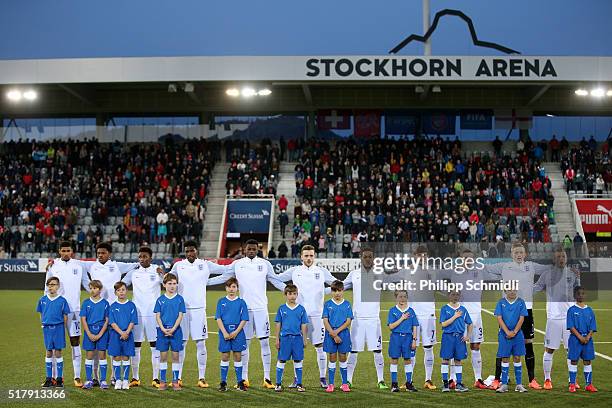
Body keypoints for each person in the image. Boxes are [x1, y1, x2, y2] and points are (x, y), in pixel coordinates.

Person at [209, 239, 286, 389]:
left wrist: (289, 291)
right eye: (249, 249)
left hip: (261, 309)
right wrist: (204, 282)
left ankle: (267, 378)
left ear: (258, 249)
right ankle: (244, 379)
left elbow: (275, 281)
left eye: (254, 249)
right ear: (244, 249)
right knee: (245, 345)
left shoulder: (265, 264)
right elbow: (224, 277)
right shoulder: (238, 264)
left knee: (264, 342)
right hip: (243, 310)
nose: (251, 251)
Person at [484, 242, 549, 390]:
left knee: (527, 343)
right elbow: (485, 268)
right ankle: (497, 379)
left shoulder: (531, 266)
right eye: (516, 252)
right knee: (504, 344)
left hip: (527, 309)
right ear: (512, 254)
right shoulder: (504, 266)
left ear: (525, 254)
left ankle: (532, 379)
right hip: (507, 310)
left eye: (521, 252)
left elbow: (550, 268)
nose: (519, 255)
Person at [168, 240, 227, 388]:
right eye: (187, 251)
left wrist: (207, 282)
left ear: (197, 250)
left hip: (199, 310)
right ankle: (177, 378)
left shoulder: (205, 264)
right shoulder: (178, 265)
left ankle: (201, 378)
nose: (189, 254)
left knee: (201, 343)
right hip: (181, 311)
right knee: (181, 344)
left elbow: (225, 270)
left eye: (192, 250)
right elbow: (168, 279)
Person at [276, 244, 336, 388]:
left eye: (311, 255)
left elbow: (336, 285)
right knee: (297, 347)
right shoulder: (294, 271)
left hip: (317, 315)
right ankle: (297, 379)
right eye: (306, 256)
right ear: (301, 257)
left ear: (314, 256)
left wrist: (324, 291)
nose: (309, 258)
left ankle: (322, 377)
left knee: (320, 347)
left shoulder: (321, 271)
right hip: (298, 316)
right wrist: (287, 291)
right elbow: (276, 279)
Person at [44, 241, 90, 387]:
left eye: (68, 250)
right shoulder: (53, 266)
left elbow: (86, 283)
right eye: (63, 250)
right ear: (59, 251)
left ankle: (77, 377)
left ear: (72, 251)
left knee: (75, 342)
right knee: (53, 345)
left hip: (74, 310)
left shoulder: (79, 265)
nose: (65, 253)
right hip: (56, 311)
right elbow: (47, 288)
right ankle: (56, 378)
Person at [534, 248, 580, 390]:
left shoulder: (572, 274)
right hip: (553, 319)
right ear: (554, 259)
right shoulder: (547, 274)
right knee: (549, 349)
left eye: (563, 256)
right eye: (558, 256)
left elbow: (578, 293)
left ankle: (572, 380)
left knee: (571, 350)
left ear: (566, 258)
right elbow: (536, 288)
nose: (561, 258)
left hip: (569, 319)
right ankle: (547, 380)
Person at [343, 246, 388, 389]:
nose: (368, 259)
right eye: (365, 256)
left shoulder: (380, 273)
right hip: (357, 319)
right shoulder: (354, 274)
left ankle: (380, 380)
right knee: (354, 351)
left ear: (373, 258)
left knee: (377, 350)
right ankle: (348, 380)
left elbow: (396, 281)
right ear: (361, 258)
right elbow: (340, 287)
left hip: (374, 319)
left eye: (370, 256)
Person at [215, 277, 248, 392]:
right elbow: (218, 318)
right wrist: (224, 332)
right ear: (226, 288)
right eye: (229, 287)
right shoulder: (221, 301)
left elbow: (244, 319)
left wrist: (235, 332)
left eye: (234, 287)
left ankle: (240, 382)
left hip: (237, 333)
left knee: (238, 356)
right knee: (225, 356)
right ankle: (223, 382)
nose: (231, 289)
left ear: (237, 288)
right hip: (224, 333)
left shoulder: (241, 302)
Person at [154, 273, 186, 391]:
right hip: (162, 331)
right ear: (164, 285)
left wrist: (173, 329)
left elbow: (180, 316)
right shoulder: (160, 299)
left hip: (175, 331)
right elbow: (157, 316)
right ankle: (162, 382)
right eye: (169, 284)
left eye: (174, 283)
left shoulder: (179, 299)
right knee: (163, 357)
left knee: (175, 356)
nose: (172, 286)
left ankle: (175, 381)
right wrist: (162, 328)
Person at [274, 284, 308, 392]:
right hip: (285, 339)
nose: (292, 296)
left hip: (297, 338)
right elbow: (278, 324)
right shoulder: (281, 308)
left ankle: (299, 384)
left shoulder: (301, 309)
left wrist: (304, 339)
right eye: (290, 294)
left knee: (298, 360)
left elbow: (303, 325)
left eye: (294, 294)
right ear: (285, 295)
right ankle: (278, 384)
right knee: (282, 360)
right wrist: (277, 339)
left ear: (297, 295)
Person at [38, 276, 71, 388]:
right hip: (47, 329)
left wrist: (63, 327)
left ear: (58, 286)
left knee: (58, 352)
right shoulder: (42, 300)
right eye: (49, 284)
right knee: (48, 352)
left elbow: (65, 316)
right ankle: (48, 378)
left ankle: (59, 379)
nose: (51, 287)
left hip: (58, 328)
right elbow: (41, 314)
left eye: (54, 284)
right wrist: (43, 324)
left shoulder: (62, 300)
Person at [494, 289, 528, 393]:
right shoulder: (501, 302)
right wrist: (507, 332)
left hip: (517, 335)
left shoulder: (521, 302)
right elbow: (499, 318)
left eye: (514, 290)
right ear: (505, 291)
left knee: (517, 357)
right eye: (510, 290)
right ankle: (504, 384)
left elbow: (522, 318)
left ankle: (519, 384)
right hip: (504, 335)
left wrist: (514, 332)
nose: (512, 292)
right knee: (505, 358)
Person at [322, 280, 353, 393]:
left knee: (343, 357)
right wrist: (333, 334)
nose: (337, 293)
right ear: (331, 291)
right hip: (330, 334)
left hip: (343, 334)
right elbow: (325, 321)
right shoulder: (328, 304)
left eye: (339, 290)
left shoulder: (347, 304)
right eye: (335, 291)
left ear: (343, 291)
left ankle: (344, 384)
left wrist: (336, 332)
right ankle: (331, 384)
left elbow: (348, 321)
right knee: (332, 358)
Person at [439, 291, 472, 392]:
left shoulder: (463, 309)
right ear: (448, 295)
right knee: (445, 360)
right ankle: (445, 384)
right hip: (448, 337)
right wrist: (455, 316)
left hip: (459, 338)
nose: (455, 297)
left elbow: (470, 323)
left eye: (457, 295)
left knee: (458, 360)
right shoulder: (445, 309)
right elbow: (443, 324)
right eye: (453, 294)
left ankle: (459, 384)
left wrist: (468, 336)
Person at [80, 280, 110, 389]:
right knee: (89, 355)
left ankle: (103, 380)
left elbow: (107, 320)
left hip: (102, 332)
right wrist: (89, 333)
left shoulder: (105, 303)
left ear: (100, 289)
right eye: (91, 288)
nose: (93, 290)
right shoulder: (86, 302)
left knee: (102, 355)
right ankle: (89, 380)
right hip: (89, 331)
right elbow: (83, 319)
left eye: (95, 288)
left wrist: (100, 334)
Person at [567, 286, 597, 393]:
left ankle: (588, 384)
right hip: (575, 339)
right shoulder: (571, 310)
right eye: (578, 293)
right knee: (574, 361)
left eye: (583, 293)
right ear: (575, 295)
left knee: (587, 361)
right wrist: (580, 337)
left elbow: (593, 327)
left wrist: (588, 337)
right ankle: (572, 384)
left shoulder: (589, 310)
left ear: (585, 295)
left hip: (587, 340)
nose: (581, 295)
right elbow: (571, 326)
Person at [387, 290, 418, 393]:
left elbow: (415, 326)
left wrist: (414, 340)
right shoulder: (392, 310)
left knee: (407, 360)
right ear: (396, 298)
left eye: (404, 297)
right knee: (394, 359)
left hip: (408, 338)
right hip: (396, 337)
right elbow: (391, 326)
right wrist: (402, 318)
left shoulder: (411, 311)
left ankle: (409, 383)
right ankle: (394, 384)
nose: (402, 299)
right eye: (400, 297)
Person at [108, 282, 138, 390]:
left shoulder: (131, 305)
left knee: (126, 356)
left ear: (127, 291)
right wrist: (121, 333)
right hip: (116, 335)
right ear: (115, 292)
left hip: (128, 335)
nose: (121, 292)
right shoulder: (112, 306)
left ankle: (125, 380)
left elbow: (132, 320)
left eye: (123, 289)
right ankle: (118, 380)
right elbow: (112, 322)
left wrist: (127, 332)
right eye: (119, 290)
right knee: (116, 357)